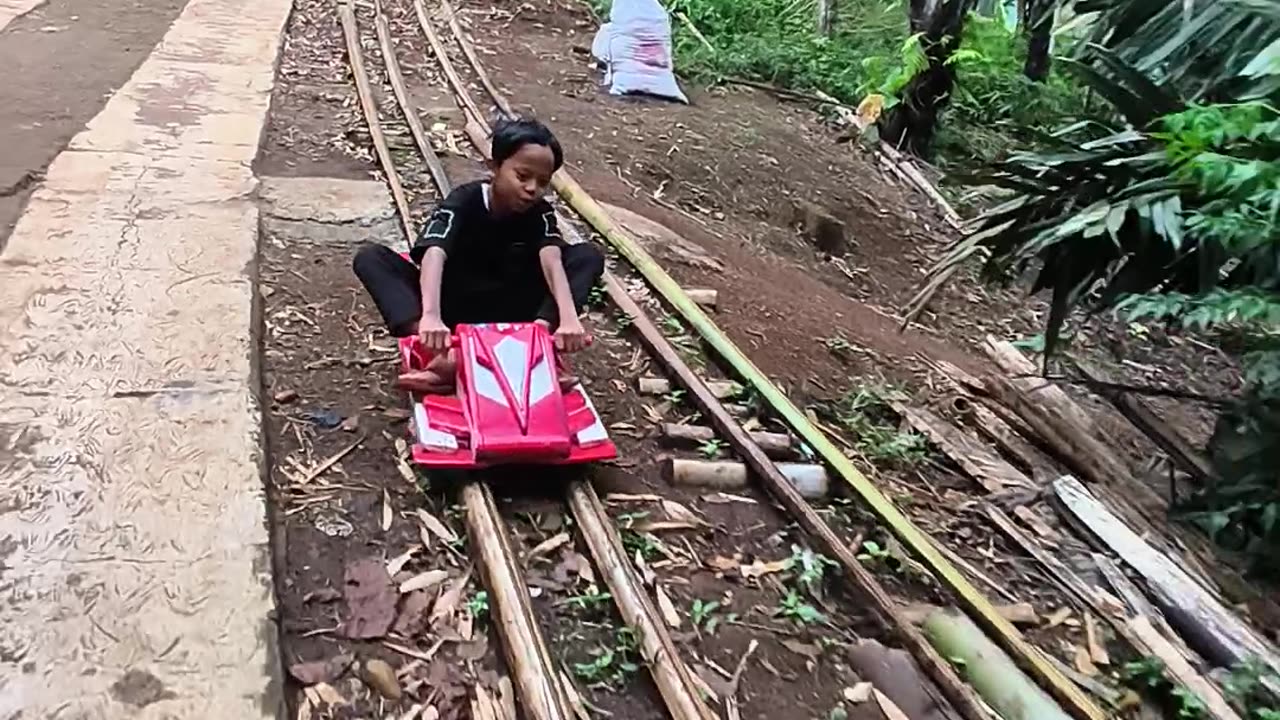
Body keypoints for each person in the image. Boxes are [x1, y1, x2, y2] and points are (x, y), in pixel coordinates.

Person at [352, 117, 605, 394]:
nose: (532, 188)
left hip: (517, 319)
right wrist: (431, 317)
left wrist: (568, 319)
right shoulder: (464, 200)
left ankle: (537, 351)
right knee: (371, 258)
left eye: (542, 182)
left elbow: (551, 258)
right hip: (455, 317)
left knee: (586, 256)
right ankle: (443, 356)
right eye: (522, 176)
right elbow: (434, 252)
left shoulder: (540, 212)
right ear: (494, 167)